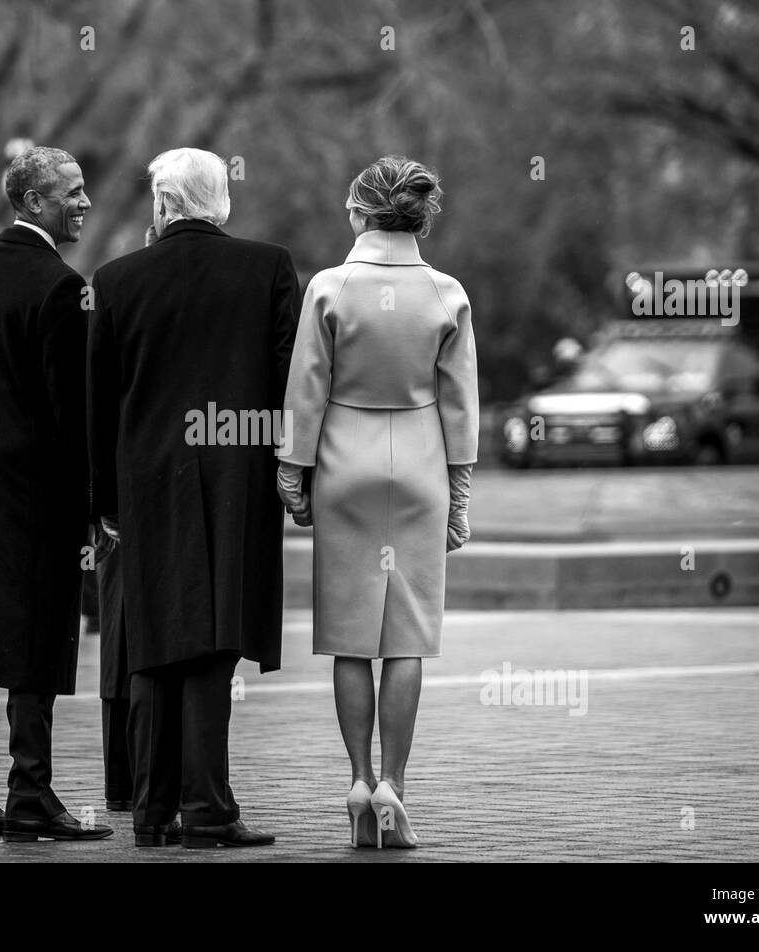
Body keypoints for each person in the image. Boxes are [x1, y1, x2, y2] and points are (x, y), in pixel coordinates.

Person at [88, 147, 299, 849]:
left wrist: (103, 501)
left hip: (145, 482)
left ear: (163, 205)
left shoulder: (115, 280)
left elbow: (100, 405)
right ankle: (207, 809)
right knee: (214, 642)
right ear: (221, 201)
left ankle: (152, 813)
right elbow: (285, 384)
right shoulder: (266, 268)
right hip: (235, 476)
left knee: (151, 644)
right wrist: (288, 469)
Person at [278, 156, 478, 848]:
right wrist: (457, 494)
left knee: (350, 637)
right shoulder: (447, 293)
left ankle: (359, 780)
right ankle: (396, 783)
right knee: (406, 640)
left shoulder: (330, 288)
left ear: (361, 213)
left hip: (344, 463)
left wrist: (292, 471)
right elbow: (460, 402)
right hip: (419, 463)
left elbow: (306, 386)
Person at [0, 146, 110, 843]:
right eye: (71, 191)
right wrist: (94, 503)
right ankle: (30, 792)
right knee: (36, 639)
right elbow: (72, 413)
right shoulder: (61, 288)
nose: (85, 202)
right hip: (38, 492)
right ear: (33, 201)